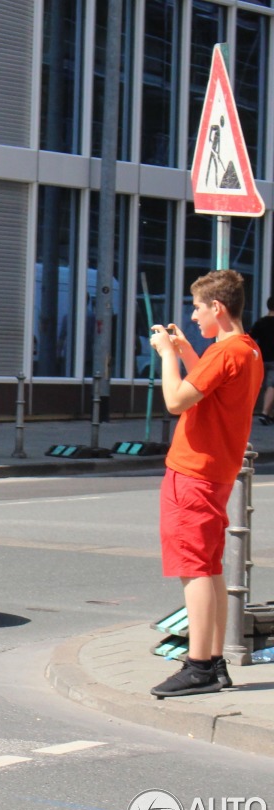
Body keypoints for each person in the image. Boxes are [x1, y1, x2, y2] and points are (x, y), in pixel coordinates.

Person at [148, 270, 262, 698]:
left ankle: (198, 665)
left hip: (192, 473)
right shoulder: (245, 350)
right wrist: (187, 350)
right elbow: (210, 389)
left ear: (217, 308)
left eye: (197, 308)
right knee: (209, 565)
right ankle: (212, 662)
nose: (193, 316)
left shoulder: (224, 351)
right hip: (216, 472)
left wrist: (166, 355)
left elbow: (177, 400)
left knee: (192, 567)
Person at [247, 294, 274, 425]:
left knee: (262, 385)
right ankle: (264, 413)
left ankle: (269, 414)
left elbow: (250, 337)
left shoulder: (261, 322)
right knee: (271, 386)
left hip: (262, 358)